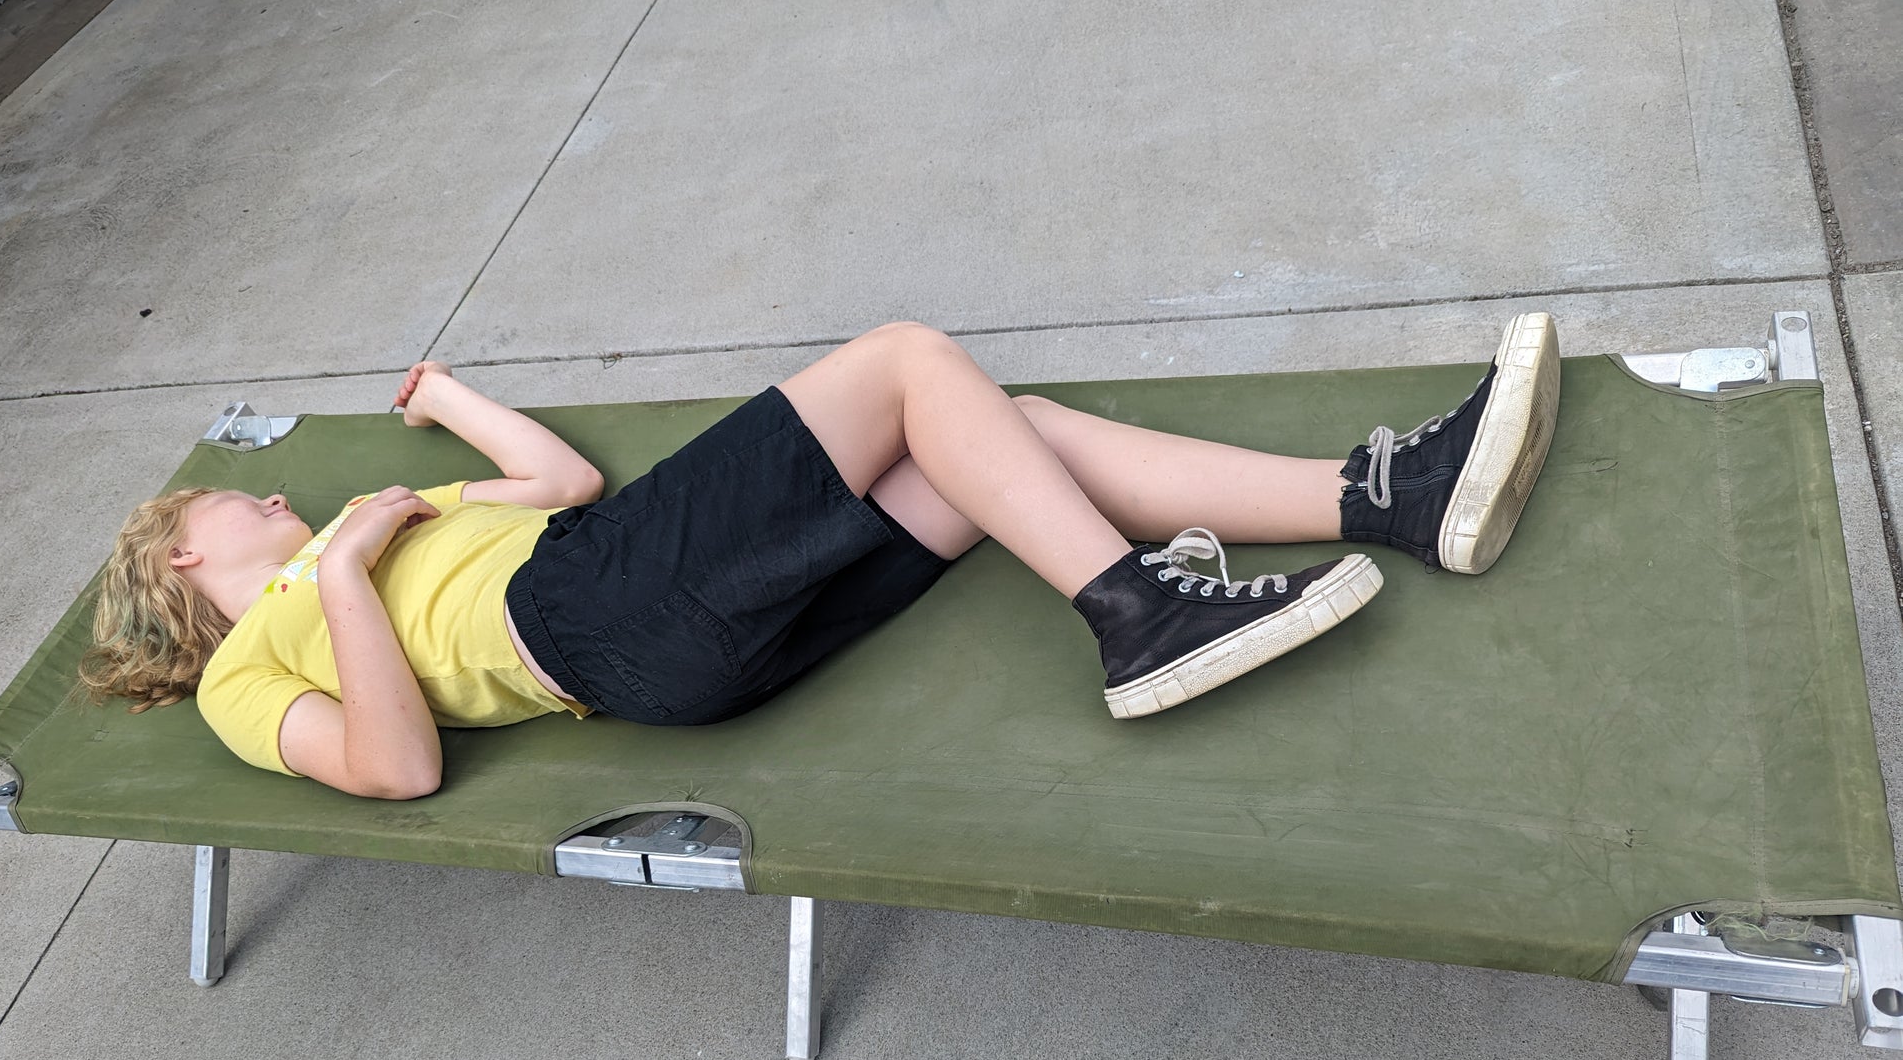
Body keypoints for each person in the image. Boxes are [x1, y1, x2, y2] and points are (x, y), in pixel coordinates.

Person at [78, 314, 1560, 800]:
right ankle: (1136, 615)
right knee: (908, 358)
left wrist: (443, 401)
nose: (269, 495)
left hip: (663, 626)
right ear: (179, 563)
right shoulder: (252, 667)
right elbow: (398, 770)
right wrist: (343, 573)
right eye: (233, 503)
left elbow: (563, 480)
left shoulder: (380, 515)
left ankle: (1390, 500)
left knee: (1009, 440)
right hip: (583, 613)